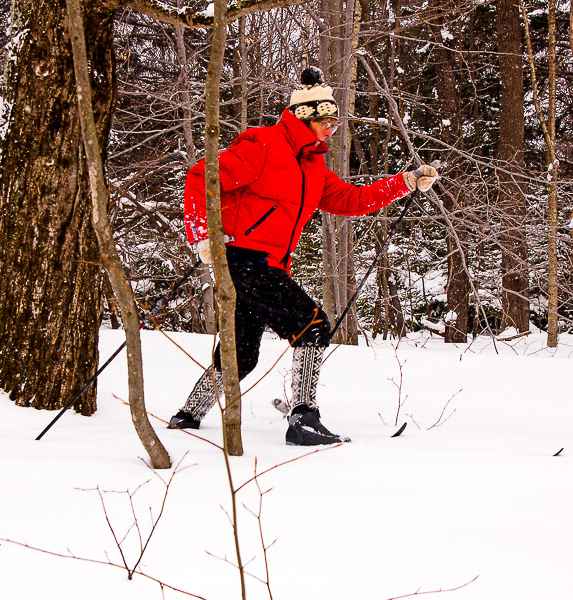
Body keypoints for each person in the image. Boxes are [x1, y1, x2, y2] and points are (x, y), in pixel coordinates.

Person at [168, 66, 438, 445]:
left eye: (334, 123)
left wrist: (404, 182)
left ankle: (187, 415)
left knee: (242, 354)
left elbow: (350, 200)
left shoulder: (314, 167)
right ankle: (304, 419)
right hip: (243, 258)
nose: (331, 129)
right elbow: (201, 177)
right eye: (326, 121)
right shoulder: (262, 144)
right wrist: (203, 237)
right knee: (313, 325)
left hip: (267, 265)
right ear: (304, 118)